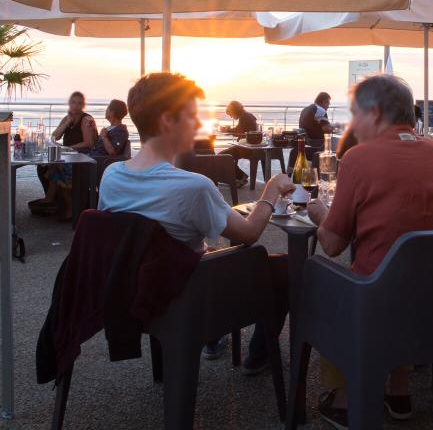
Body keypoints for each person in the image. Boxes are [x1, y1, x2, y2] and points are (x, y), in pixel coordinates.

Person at [98, 72, 295, 373]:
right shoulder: (194, 187)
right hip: (185, 295)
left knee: (208, 253)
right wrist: (271, 189)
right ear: (167, 120)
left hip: (136, 289)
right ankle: (258, 355)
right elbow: (249, 234)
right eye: (192, 116)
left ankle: (214, 340)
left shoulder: (112, 175)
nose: (199, 125)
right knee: (284, 268)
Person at [307, 75, 433, 426]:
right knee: (402, 273)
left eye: (354, 114)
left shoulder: (359, 158)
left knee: (325, 278)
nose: (351, 124)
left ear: (374, 112)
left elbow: (332, 245)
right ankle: (399, 388)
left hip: (379, 301)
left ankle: (346, 398)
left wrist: (319, 213)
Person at [31, 91, 98, 219]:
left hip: (82, 158)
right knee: (47, 166)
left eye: (79, 103)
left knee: (57, 168)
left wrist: (67, 148)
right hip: (69, 156)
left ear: (83, 105)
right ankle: (55, 200)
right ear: (69, 104)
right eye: (73, 102)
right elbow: (54, 137)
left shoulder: (86, 119)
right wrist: (67, 122)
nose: (76, 106)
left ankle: (65, 206)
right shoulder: (67, 118)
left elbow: (88, 143)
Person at [218, 101, 259, 187]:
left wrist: (227, 130)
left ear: (234, 111)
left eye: (231, 114)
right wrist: (229, 129)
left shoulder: (244, 117)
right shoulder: (247, 116)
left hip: (246, 148)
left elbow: (240, 132)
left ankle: (241, 176)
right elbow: (240, 130)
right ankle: (237, 177)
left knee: (222, 155)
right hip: (248, 146)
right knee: (226, 155)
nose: (231, 117)